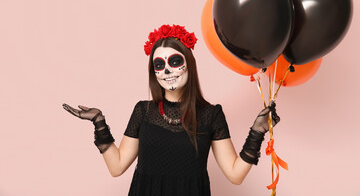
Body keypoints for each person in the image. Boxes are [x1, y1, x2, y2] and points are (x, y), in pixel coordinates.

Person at [62, 24, 280, 196]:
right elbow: (116, 167)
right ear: (153, 72)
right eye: (159, 65)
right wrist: (99, 123)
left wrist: (257, 132)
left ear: (189, 64)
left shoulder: (211, 115)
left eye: (175, 61)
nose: (167, 71)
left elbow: (235, 175)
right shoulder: (143, 111)